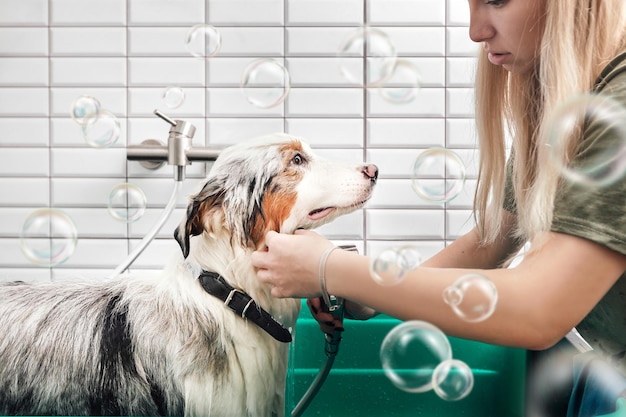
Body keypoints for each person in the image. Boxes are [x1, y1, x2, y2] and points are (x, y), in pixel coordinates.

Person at [252, 0, 626, 414]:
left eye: (496, 1)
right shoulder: (570, 100)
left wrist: (330, 267)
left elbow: (540, 308)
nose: (475, 31)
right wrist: (368, 293)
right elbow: (490, 243)